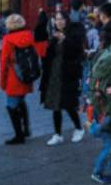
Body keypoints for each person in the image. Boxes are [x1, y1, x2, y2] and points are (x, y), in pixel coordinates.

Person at [37, 10, 86, 145]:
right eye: (57, 19)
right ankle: (57, 134)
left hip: (68, 73)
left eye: (62, 19)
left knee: (69, 104)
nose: (59, 22)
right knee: (54, 104)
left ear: (67, 20)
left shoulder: (74, 34)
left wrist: (65, 39)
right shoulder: (54, 36)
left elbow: (78, 52)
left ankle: (78, 128)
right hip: (54, 74)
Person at [0, 14, 35, 145]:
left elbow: (3, 62)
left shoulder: (8, 39)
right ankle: (26, 129)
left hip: (14, 77)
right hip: (26, 76)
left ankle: (19, 135)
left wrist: (2, 82)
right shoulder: (29, 36)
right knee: (21, 101)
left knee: (11, 105)